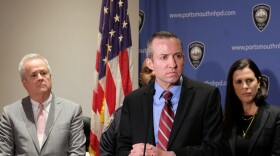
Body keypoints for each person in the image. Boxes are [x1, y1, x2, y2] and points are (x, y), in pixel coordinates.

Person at [117, 31, 224, 156]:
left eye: (178, 56)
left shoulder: (206, 96)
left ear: (183, 59)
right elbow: (122, 148)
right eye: (164, 57)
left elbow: (215, 149)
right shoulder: (133, 100)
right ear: (150, 63)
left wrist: (169, 155)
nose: (173, 64)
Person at [0, 54, 86, 155]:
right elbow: (5, 153)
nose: (40, 78)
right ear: (24, 83)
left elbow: (77, 153)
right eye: (34, 75)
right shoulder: (10, 113)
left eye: (44, 73)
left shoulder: (72, 110)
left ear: (50, 77)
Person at [223, 58, 280, 156]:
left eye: (249, 80)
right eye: (239, 82)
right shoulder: (223, 116)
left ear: (258, 82)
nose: (244, 86)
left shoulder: (275, 115)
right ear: (232, 86)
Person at [100, 58, 155, 155]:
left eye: (156, 69)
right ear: (141, 77)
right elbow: (106, 149)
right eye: (148, 71)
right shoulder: (124, 112)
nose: (153, 74)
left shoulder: (175, 109)